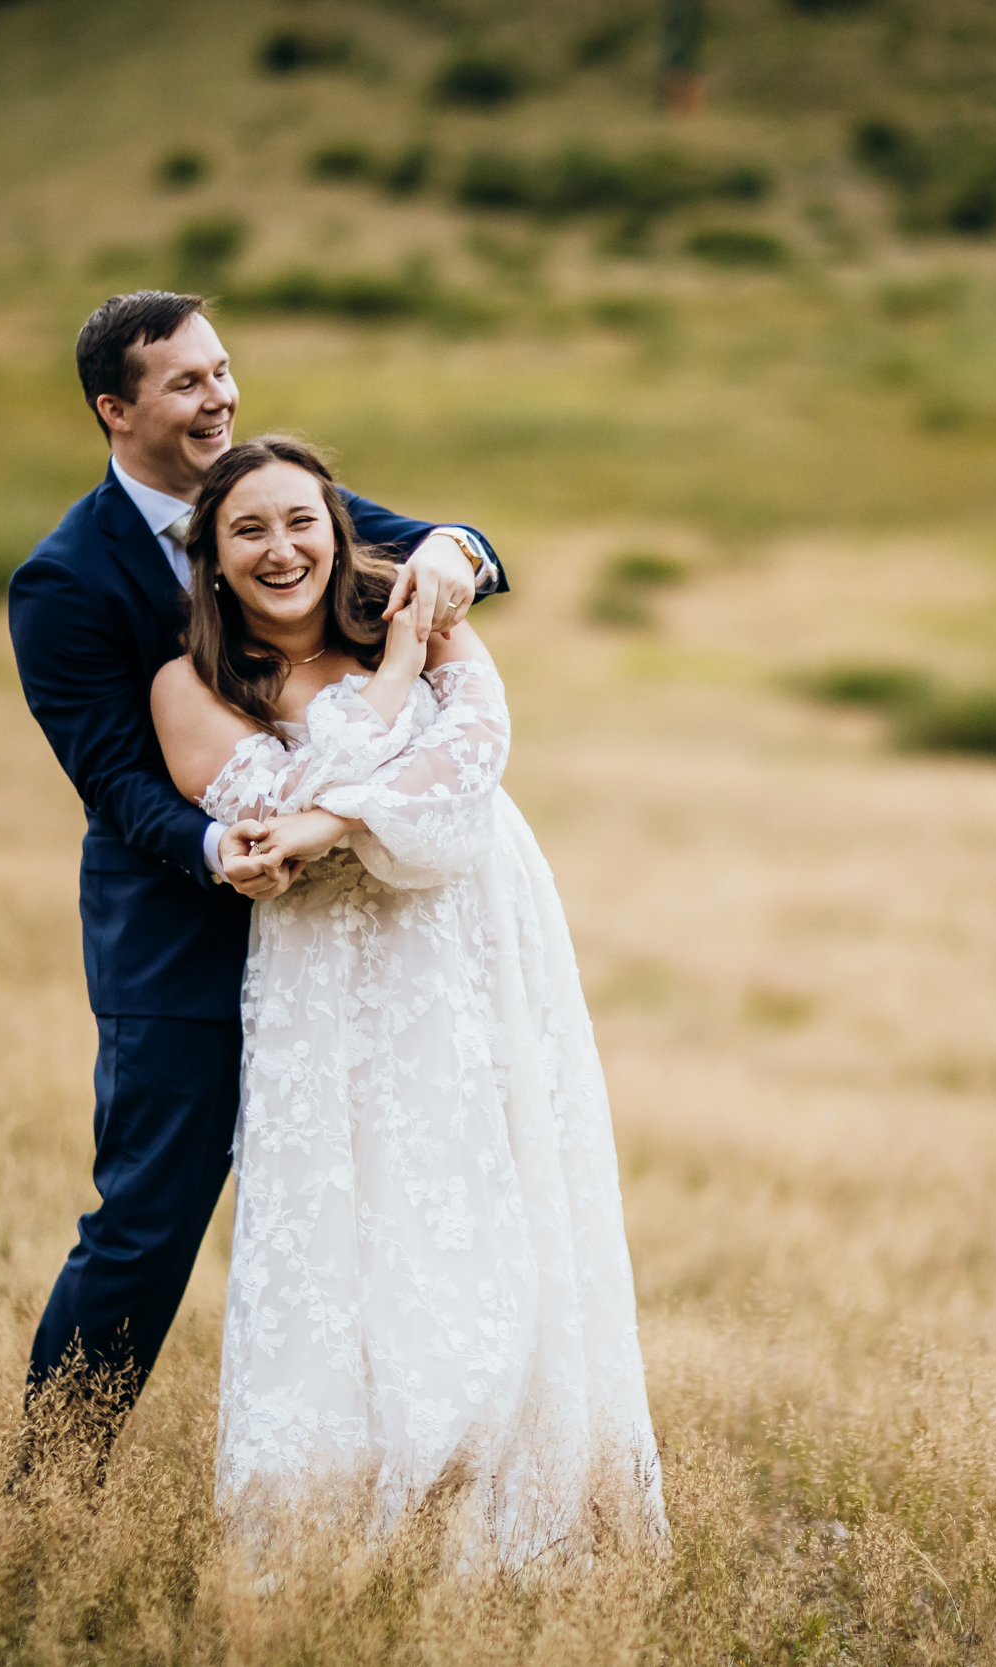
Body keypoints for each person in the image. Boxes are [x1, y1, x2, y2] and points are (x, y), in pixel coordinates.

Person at [6, 292, 501, 1474]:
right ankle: (47, 1487)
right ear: (113, 409)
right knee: (144, 1226)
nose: (219, 397)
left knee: (381, 1207)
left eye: (223, 371)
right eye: (186, 382)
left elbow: (448, 547)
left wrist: (453, 546)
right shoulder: (65, 579)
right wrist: (217, 852)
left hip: (351, 942)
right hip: (181, 940)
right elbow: (115, 780)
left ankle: (388, 1473)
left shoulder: (269, 500)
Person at [148, 436, 665, 1563]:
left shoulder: (417, 603)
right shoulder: (188, 687)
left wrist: (336, 820)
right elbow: (263, 802)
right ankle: (344, 1511)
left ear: (337, 530)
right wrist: (388, 682)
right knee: (352, 1203)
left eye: (302, 522)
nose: (282, 549)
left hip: (471, 934)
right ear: (213, 560)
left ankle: (512, 1493)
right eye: (249, 531)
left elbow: (476, 750)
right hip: (325, 967)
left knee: (490, 1182)